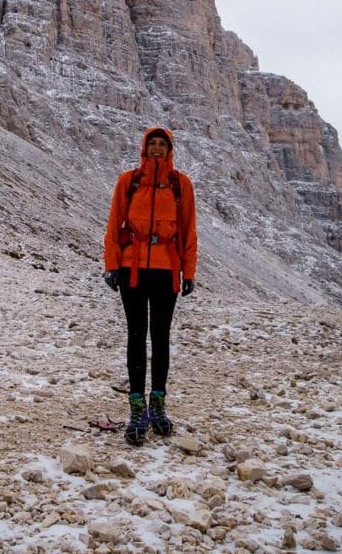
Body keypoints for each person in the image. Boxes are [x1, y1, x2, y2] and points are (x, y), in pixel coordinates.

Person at [103, 127, 197, 445]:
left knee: (160, 338)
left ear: (169, 149)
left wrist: (189, 272)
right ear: (144, 147)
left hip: (166, 270)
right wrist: (111, 265)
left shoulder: (180, 185)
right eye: (152, 143)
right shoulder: (128, 182)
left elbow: (189, 230)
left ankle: (158, 405)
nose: (157, 148)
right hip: (132, 270)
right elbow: (114, 224)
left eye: (163, 144)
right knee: (135, 337)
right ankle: (136, 409)